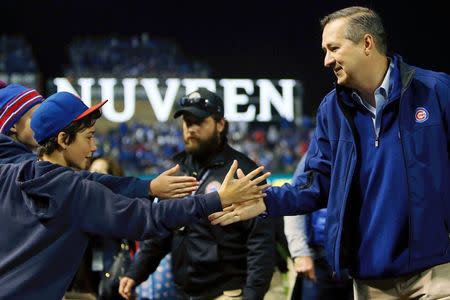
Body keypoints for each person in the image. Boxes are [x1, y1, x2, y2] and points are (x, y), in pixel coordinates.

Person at [210, 6, 450, 299]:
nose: (326, 60)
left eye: (333, 48)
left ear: (366, 43)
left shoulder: (436, 91)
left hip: (437, 271)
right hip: (371, 278)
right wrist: (265, 202)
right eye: (324, 50)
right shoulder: (331, 110)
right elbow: (316, 182)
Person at [0, 91, 270, 299]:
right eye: (89, 136)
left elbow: (93, 180)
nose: (94, 147)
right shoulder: (76, 193)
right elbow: (149, 218)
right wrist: (216, 200)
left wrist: (148, 187)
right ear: (62, 139)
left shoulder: (11, 173)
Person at [119, 88, 275, 300]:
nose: (190, 128)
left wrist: (252, 295)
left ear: (220, 124)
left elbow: (261, 244)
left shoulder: (242, 171)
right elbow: (161, 230)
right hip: (182, 292)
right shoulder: (177, 170)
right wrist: (136, 272)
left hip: (227, 293)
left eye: (199, 121)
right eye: (187, 121)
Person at [0, 81, 202, 202]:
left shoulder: (20, 161)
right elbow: (84, 183)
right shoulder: (17, 168)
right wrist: (147, 188)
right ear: (12, 126)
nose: (40, 123)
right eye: (33, 117)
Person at [284, 155, 352, 299]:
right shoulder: (317, 152)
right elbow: (296, 201)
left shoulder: (369, 148)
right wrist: (300, 252)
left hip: (357, 258)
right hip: (319, 257)